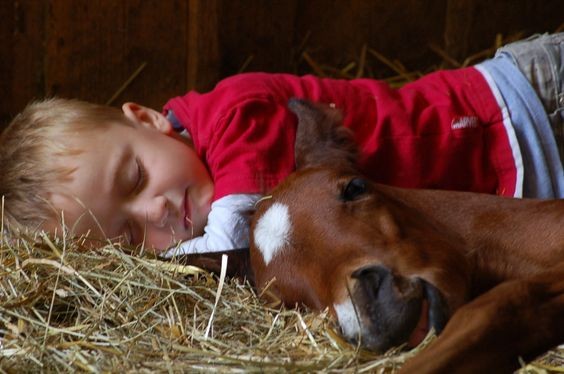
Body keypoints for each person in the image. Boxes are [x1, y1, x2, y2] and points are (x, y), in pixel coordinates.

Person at [1, 33, 563, 268]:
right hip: (518, 208)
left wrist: (169, 274)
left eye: (134, 179)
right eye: (128, 237)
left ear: (148, 120)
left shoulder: (233, 114)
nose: (157, 212)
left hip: (521, 116)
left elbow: (237, 234)